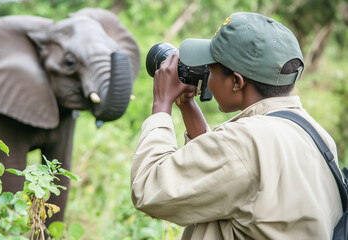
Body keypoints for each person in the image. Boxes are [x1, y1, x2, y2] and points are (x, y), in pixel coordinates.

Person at [131, 12, 343, 239]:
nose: (207, 77)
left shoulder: (243, 143)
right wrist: (187, 105)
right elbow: (226, 176)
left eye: (210, 70)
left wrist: (161, 103)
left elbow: (148, 189)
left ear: (236, 82)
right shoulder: (316, 135)